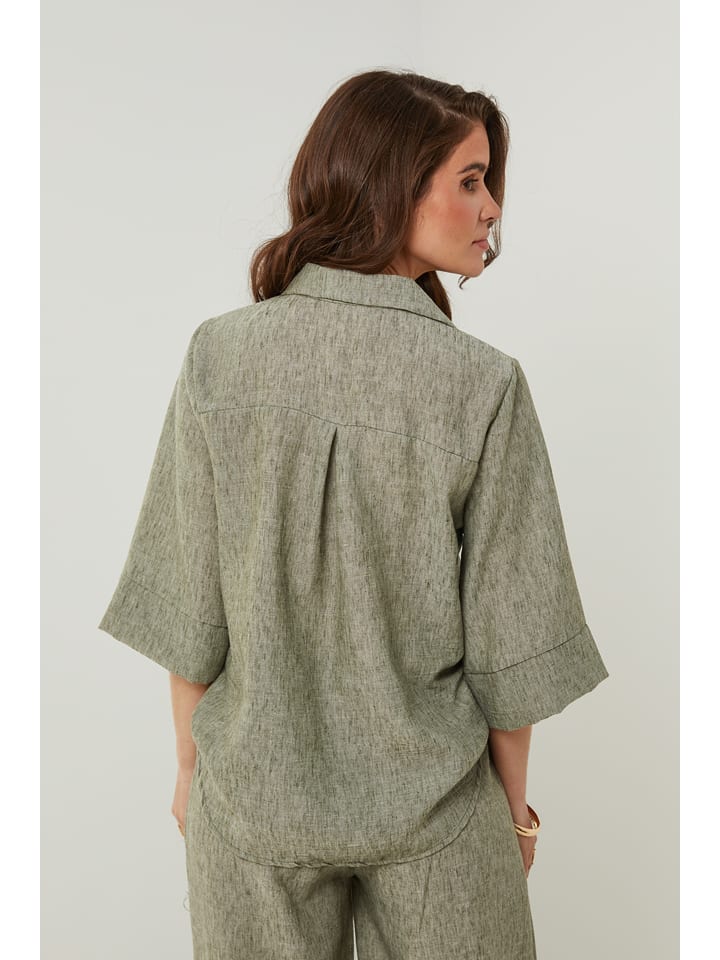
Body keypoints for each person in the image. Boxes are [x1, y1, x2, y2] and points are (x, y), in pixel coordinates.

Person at [98, 68, 610, 959]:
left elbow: (189, 607)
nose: (492, 207)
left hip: (250, 807)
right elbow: (511, 646)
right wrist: (515, 813)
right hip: (440, 808)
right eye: (471, 180)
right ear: (392, 184)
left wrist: (189, 769)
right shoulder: (481, 384)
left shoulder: (219, 355)